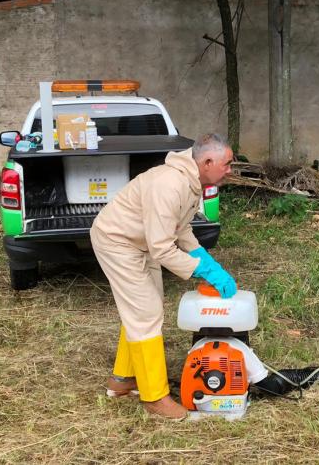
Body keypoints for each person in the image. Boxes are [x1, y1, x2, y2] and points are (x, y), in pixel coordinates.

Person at [90, 133, 237, 420]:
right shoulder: (170, 184)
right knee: (146, 313)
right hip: (118, 242)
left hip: (141, 241)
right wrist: (200, 270)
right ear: (207, 162)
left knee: (144, 309)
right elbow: (161, 248)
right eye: (227, 164)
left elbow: (180, 229)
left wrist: (207, 261)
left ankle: (123, 380)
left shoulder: (191, 181)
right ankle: (154, 397)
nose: (230, 170)